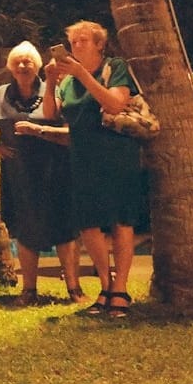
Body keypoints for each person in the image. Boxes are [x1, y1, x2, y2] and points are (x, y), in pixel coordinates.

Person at [43, 21, 147, 320]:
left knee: (120, 221)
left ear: (100, 44)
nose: (76, 46)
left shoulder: (113, 67)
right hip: (82, 156)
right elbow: (50, 114)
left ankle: (121, 289)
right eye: (73, 41)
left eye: (83, 40)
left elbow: (115, 104)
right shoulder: (66, 79)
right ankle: (105, 285)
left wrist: (82, 74)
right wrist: (51, 81)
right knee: (88, 223)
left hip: (116, 155)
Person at [0, 43, 82, 304]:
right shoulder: (1, 95)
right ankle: (28, 290)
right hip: (19, 174)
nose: (23, 66)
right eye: (18, 62)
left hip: (55, 170)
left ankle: (74, 289)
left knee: (64, 228)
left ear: (37, 66)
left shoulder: (51, 89)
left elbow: (68, 124)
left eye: (28, 62)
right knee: (24, 228)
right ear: (10, 67)